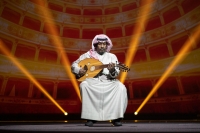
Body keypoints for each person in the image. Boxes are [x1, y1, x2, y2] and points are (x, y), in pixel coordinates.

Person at [71, 34, 128, 126]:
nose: (102, 46)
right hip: (92, 81)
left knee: (121, 87)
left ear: (107, 45)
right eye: (100, 44)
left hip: (108, 81)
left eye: (104, 44)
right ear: (96, 45)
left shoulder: (112, 56)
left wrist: (112, 70)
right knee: (84, 85)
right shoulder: (88, 55)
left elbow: (116, 73)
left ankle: (116, 118)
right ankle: (90, 118)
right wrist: (79, 70)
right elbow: (74, 65)